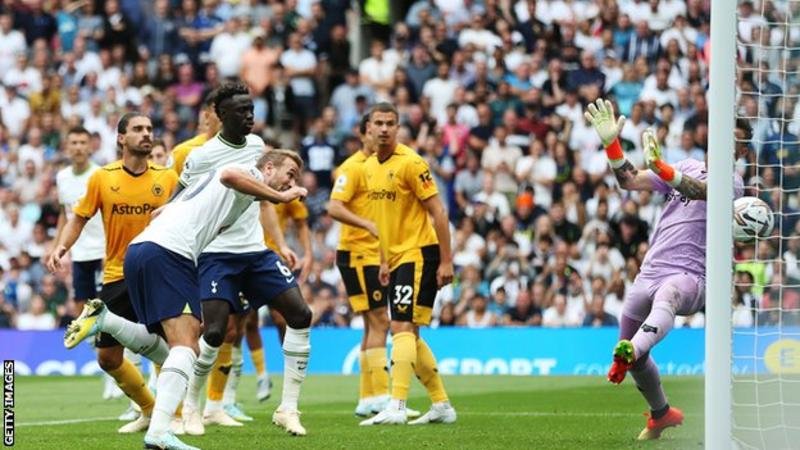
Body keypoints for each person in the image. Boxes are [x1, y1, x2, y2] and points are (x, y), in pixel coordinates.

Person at [584, 98, 748, 440]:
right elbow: (629, 180)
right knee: (629, 347)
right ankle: (661, 413)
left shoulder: (733, 184)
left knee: (666, 300)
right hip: (651, 270)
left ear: (740, 149)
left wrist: (663, 168)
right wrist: (611, 143)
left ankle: (633, 350)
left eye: (734, 139)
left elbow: (704, 192)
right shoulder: (687, 164)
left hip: (691, 277)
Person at [124, 150, 306, 450]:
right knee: (186, 345)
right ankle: (160, 431)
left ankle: (107, 322)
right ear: (269, 167)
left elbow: (161, 211)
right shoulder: (243, 170)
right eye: (289, 174)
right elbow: (230, 175)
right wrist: (280, 197)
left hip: (141, 250)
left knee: (169, 341)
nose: (291, 182)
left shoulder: (216, 190)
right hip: (170, 253)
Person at [177, 82, 312, 437]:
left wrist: (279, 243)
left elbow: (263, 199)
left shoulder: (256, 147)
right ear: (221, 116)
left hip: (254, 251)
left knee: (301, 314)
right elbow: (181, 201)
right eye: (241, 110)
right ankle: (193, 406)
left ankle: (288, 408)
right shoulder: (202, 157)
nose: (250, 115)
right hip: (216, 254)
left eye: (251, 109)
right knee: (217, 331)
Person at [47, 113, 179, 434]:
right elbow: (78, 218)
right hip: (118, 274)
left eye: (149, 128)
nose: (146, 134)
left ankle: (174, 414)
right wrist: (61, 247)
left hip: (161, 274)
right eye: (138, 129)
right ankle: (148, 409)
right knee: (107, 357)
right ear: (121, 138)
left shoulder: (170, 178)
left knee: (177, 345)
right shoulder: (102, 178)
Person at [359, 102, 457, 426]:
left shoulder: (412, 163)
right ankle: (441, 405)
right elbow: (385, 220)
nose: (384, 129)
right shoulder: (370, 167)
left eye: (390, 123)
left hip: (419, 253)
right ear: (369, 128)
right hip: (398, 258)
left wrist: (446, 261)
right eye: (379, 123)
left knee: (400, 327)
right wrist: (385, 260)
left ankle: (397, 405)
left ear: (398, 127)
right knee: (409, 333)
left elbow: (439, 212)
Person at [329, 114, 414, 417]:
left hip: (370, 254)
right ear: (363, 132)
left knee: (371, 324)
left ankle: (368, 397)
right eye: (374, 128)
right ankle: (379, 395)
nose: (380, 133)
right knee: (380, 321)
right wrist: (368, 225)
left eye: (386, 127)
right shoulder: (352, 168)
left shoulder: (379, 167)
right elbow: (333, 206)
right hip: (358, 253)